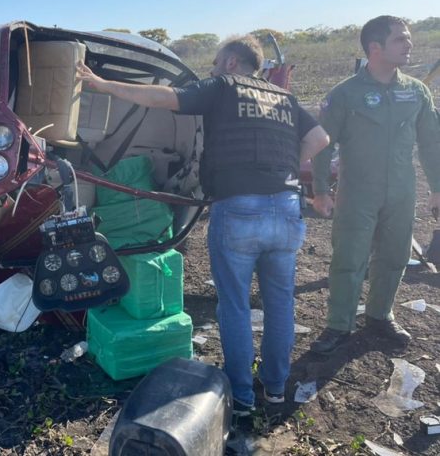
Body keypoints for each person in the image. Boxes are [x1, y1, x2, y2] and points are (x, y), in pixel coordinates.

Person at [77, 36, 329, 416]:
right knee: (280, 305)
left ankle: (242, 397)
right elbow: (320, 138)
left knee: (235, 305)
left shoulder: (222, 86)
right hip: (286, 207)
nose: (211, 69)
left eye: (214, 62)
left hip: (239, 207)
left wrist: (103, 85)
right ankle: (276, 390)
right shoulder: (283, 98)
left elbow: (165, 99)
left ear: (231, 63)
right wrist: (287, 168)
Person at [310, 16, 440, 354]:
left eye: (408, 38)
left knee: (395, 256)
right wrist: (321, 190)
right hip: (357, 192)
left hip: (401, 191)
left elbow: (431, 142)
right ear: (375, 48)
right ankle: (339, 325)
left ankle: (380, 316)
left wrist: (437, 188)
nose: (409, 44)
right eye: (400, 39)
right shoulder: (345, 94)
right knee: (349, 259)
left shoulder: (416, 91)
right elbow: (323, 143)